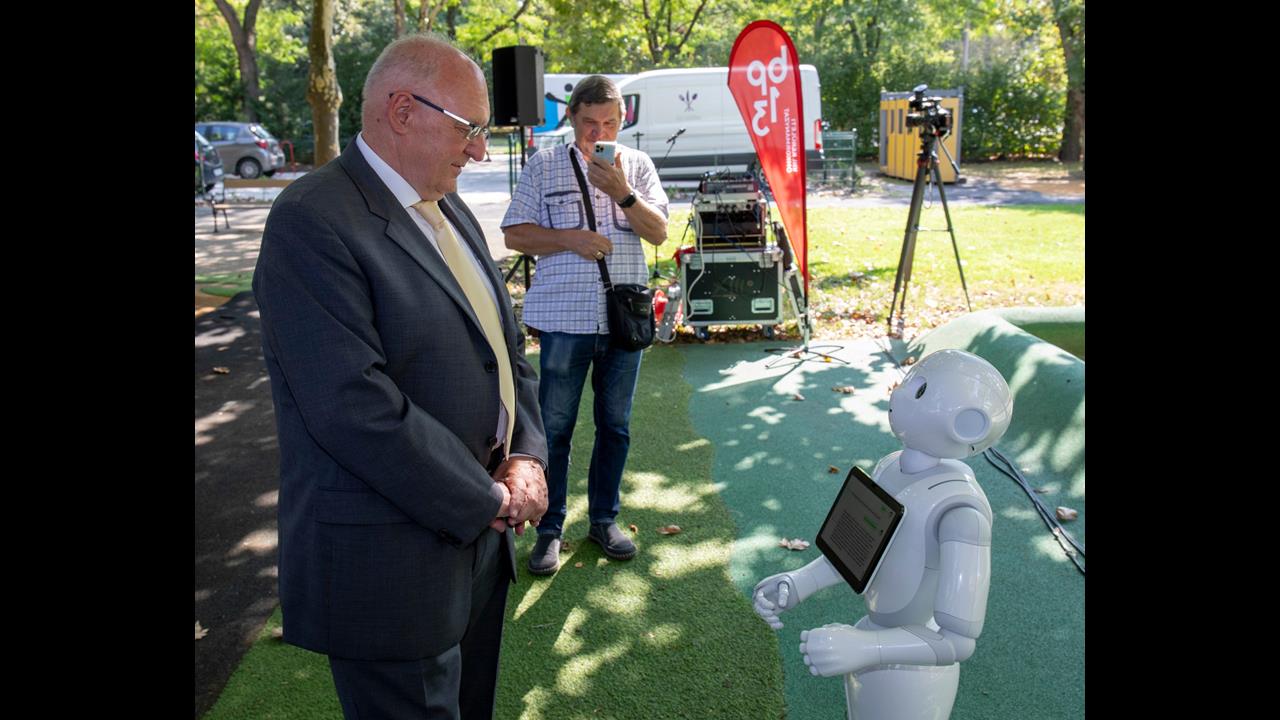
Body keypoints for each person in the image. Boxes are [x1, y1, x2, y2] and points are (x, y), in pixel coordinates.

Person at [252, 34, 548, 720]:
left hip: (480, 538)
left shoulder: (451, 211)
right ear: (403, 110)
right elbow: (353, 408)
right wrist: (488, 497)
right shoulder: (312, 220)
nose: (479, 150)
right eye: (470, 128)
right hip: (391, 563)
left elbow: (505, 351)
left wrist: (526, 453)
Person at [501, 75, 669, 575]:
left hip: (623, 320)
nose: (600, 132)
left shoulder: (635, 166)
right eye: (591, 122)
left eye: (611, 123)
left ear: (622, 122)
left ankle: (604, 520)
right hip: (563, 318)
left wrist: (623, 194)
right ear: (571, 116)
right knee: (554, 428)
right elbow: (515, 235)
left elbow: (659, 232)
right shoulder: (544, 164)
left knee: (614, 426)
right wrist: (571, 238)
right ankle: (549, 530)